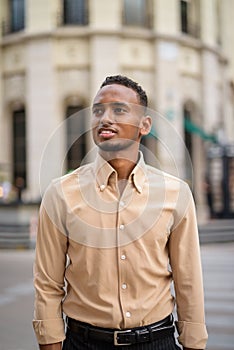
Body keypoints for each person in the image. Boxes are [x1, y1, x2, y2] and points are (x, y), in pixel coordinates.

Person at [33, 75, 208, 350]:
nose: (105, 118)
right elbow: (47, 284)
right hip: (83, 343)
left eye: (119, 110)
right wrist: (50, 344)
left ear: (144, 125)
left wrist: (194, 343)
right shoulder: (60, 194)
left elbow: (188, 281)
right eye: (98, 111)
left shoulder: (176, 194)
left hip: (157, 342)